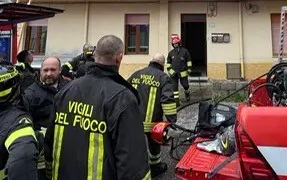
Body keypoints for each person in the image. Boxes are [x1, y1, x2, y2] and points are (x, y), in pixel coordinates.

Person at [44, 35, 150, 180]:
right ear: (119, 58)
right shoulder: (123, 98)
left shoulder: (66, 91)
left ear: (94, 55)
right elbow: (132, 162)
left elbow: (49, 141)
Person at [128, 53, 177, 178]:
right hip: (152, 124)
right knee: (154, 146)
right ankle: (155, 167)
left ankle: (136, 168)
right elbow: (167, 101)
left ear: (152, 61)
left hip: (134, 121)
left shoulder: (136, 74)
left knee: (135, 145)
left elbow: (125, 92)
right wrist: (172, 120)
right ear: (163, 64)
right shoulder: (163, 78)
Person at [21, 56, 67, 180]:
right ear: (40, 71)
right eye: (45, 70)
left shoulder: (70, 88)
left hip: (65, 149)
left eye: (53, 70)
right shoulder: (30, 94)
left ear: (60, 70)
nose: (48, 74)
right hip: (42, 153)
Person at [166, 34, 192, 104]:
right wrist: (172, 72)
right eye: (174, 44)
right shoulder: (171, 53)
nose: (175, 45)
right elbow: (168, 64)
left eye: (176, 43)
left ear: (179, 43)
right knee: (174, 89)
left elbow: (189, 61)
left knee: (185, 85)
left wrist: (189, 69)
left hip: (183, 73)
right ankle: (176, 102)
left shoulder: (185, 51)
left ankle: (187, 92)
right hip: (174, 74)